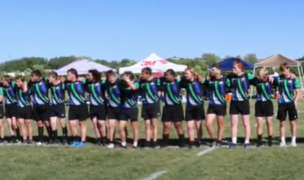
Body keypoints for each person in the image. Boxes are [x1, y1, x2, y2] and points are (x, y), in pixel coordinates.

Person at [226, 60, 255, 148]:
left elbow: (259, 79)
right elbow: (226, 86)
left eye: (235, 67)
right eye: (233, 67)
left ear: (240, 68)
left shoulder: (247, 76)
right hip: (234, 102)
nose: (233, 69)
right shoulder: (230, 77)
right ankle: (233, 142)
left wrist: (269, 78)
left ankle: (247, 142)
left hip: (244, 102)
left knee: (246, 123)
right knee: (233, 123)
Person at [271, 63, 301, 147]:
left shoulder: (294, 79)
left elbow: (298, 92)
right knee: (282, 123)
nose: (283, 72)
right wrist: (269, 78)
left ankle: (293, 140)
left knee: (293, 123)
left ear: (289, 69)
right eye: (282, 70)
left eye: (284, 70)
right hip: (281, 103)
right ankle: (282, 141)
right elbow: (270, 81)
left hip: (291, 103)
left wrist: (295, 101)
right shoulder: (278, 79)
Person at [160, 69, 186, 148]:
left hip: (176, 106)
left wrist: (180, 96)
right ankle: (164, 143)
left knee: (178, 125)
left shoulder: (179, 83)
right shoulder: (164, 83)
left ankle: (182, 142)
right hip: (167, 107)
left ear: (172, 76)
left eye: (167, 75)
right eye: (165, 75)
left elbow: (183, 90)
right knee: (166, 125)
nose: (166, 76)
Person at [205, 64, 229, 147]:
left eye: (212, 70)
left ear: (218, 71)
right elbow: (205, 86)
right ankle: (213, 139)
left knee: (220, 125)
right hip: (211, 105)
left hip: (221, 105)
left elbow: (229, 90)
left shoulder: (225, 80)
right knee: (207, 124)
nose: (211, 71)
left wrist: (226, 99)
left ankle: (219, 140)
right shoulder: (210, 79)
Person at [182, 68, 205, 148]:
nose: (185, 75)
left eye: (186, 73)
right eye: (184, 73)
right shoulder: (185, 82)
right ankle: (191, 141)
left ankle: (199, 141)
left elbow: (205, 82)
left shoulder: (199, 81)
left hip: (198, 106)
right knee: (189, 126)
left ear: (192, 74)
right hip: (189, 106)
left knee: (198, 126)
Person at [65, 68, 88, 147]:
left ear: (73, 75)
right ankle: (75, 139)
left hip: (81, 106)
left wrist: (83, 78)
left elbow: (89, 80)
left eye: (68, 74)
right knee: (71, 124)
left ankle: (83, 141)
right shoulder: (67, 84)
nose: (67, 76)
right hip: (72, 107)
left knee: (82, 124)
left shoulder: (82, 82)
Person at [140, 67, 161, 148]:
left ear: (148, 74)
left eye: (144, 74)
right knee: (147, 124)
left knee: (154, 124)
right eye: (142, 73)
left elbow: (160, 88)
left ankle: (155, 141)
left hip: (154, 105)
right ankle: (147, 141)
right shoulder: (142, 82)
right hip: (145, 105)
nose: (142, 75)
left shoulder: (155, 81)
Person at [29, 70, 51, 145]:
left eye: (33, 76)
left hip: (44, 105)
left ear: (38, 76)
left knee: (46, 122)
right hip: (36, 106)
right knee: (39, 123)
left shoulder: (45, 81)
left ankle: (50, 137)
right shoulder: (31, 83)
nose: (31, 78)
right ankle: (41, 138)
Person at [252, 68, 274, 147]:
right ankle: (259, 140)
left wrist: (271, 77)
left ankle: (270, 140)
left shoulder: (270, 80)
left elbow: (284, 77)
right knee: (259, 123)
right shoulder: (256, 81)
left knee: (269, 122)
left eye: (259, 74)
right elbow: (247, 76)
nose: (258, 75)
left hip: (268, 103)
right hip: (259, 103)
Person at [86, 69, 107, 145]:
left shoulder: (101, 83)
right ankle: (98, 138)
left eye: (89, 75)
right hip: (92, 106)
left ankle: (104, 138)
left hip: (101, 106)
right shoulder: (88, 84)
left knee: (101, 123)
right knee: (95, 124)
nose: (87, 77)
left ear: (94, 75)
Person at [119, 71, 139, 149]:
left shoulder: (136, 83)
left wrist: (128, 81)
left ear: (129, 76)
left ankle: (135, 144)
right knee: (121, 127)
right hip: (123, 108)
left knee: (134, 127)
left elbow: (134, 88)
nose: (122, 77)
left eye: (124, 76)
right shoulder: (121, 84)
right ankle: (123, 143)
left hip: (132, 109)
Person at [48, 71, 68, 144]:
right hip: (53, 106)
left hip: (60, 106)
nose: (48, 79)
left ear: (54, 78)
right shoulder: (50, 85)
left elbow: (67, 82)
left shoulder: (62, 84)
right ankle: (55, 138)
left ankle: (65, 137)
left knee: (62, 123)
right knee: (53, 123)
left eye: (50, 77)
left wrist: (64, 79)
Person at [104, 70, 122, 149]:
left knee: (121, 127)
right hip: (111, 107)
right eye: (108, 78)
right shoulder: (107, 84)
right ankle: (111, 141)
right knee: (111, 126)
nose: (110, 79)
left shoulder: (120, 83)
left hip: (120, 107)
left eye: (111, 77)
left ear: (115, 76)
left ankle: (123, 141)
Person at [2, 75, 20, 143]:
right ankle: (13, 137)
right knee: (9, 124)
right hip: (7, 106)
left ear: (7, 80)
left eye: (3, 80)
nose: (2, 81)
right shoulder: (3, 86)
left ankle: (18, 135)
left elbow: (18, 85)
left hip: (13, 105)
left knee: (14, 123)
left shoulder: (13, 85)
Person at [15, 76, 33, 143]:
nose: (17, 83)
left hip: (27, 107)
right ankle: (24, 139)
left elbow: (25, 90)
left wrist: (25, 83)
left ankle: (30, 138)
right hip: (19, 108)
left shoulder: (27, 87)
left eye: (18, 81)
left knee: (28, 123)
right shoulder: (16, 88)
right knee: (21, 124)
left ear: (22, 82)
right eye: (16, 82)